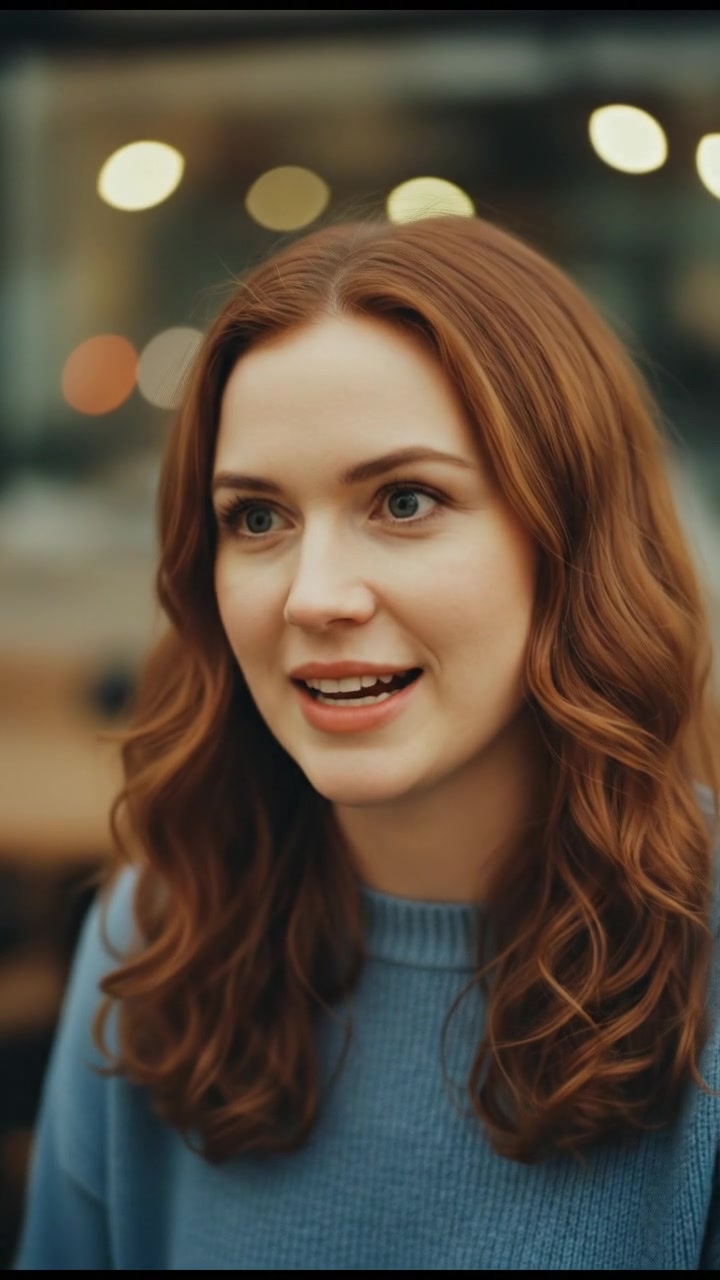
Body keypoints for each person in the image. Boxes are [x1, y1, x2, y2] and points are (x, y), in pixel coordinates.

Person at [13, 213, 720, 1270]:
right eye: (256, 517)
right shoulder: (158, 928)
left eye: (404, 499)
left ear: (569, 541)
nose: (314, 595)